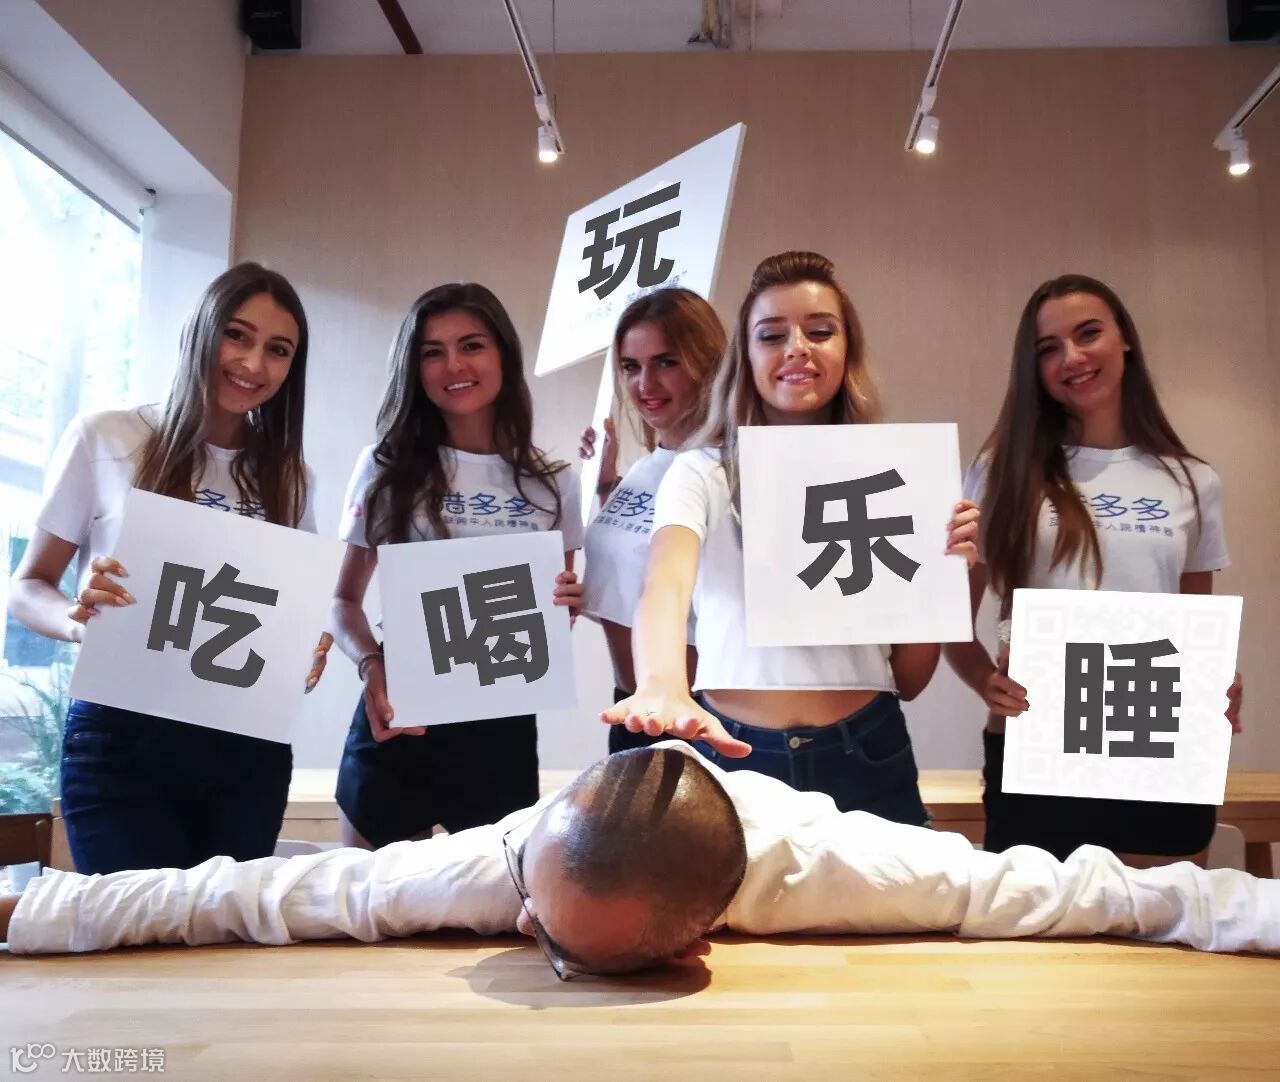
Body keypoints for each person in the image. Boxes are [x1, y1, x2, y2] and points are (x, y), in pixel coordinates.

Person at [3, 745, 1276, 975]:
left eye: (564, 952)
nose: (526, 934)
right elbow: (244, 889)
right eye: (540, 918)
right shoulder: (503, 864)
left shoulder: (838, 863)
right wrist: (30, 906)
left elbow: (1095, 889)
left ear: (702, 935)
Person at [602, 252, 979, 825]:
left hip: (867, 747)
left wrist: (948, 572)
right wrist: (661, 683)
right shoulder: (701, 471)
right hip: (733, 752)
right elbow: (665, 583)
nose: (797, 348)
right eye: (772, 335)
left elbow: (909, 679)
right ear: (746, 355)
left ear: (847, 349)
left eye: (820, 332)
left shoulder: (898, 472)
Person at [6, 262, 329, 875]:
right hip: (122, 737)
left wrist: (306, 646)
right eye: (237, 335)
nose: (253, 363)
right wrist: (78, 620)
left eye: (278, 349)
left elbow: (288, 611)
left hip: (247, 747)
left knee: (221, 931)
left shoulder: (289, 476)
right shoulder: (108, 436)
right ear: (201, 332)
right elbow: (27, 587)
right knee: (136, 928)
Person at [943, 274, 1244, 865]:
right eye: (1048, 348)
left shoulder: (1192, 480)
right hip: (1039, 739)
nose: (1072, 357)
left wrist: (1219, 677)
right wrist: (984, 681)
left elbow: (1193, 618)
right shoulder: (1001, 471)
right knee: (1042, 917)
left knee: (1167, 913)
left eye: (1088, 334)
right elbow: (953, 617)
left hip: (1155, 735)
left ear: (1124, 338)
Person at [330, 282, 584, 852]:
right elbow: (343, 601)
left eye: (471, 345)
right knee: (373, 906)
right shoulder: (384, 468)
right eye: (432, 352)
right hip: (399, 722)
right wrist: (372, 667)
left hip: (500, 734)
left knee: (494, 904)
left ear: (503, 355)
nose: (454, 366)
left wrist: (566, 602)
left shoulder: (552, 482)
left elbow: (552, 619)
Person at [578, 288, 727, 752]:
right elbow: (638, 556)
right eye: (631, 366)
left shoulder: (724, 471)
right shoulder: (649, 466)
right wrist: (605, 485)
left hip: (697, 718)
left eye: (667, 362)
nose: (645, 383)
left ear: (707, 365)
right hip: (632, 711)